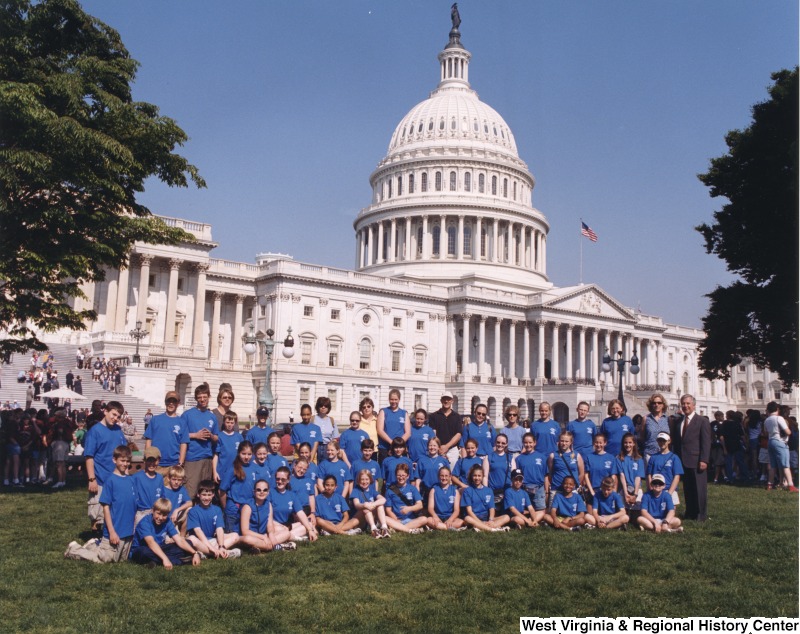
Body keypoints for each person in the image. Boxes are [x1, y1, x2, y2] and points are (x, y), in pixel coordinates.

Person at [64, 445, 137, 563]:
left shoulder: (131, 480)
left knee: (121, 560)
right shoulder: (110, 481)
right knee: (104, 560)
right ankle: (74, 549)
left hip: (127, 532)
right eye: (122, 460)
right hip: (114, 532)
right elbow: (106, 509)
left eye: (127, 461)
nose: (125, 464)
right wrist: (112, 532)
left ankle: (94, 545)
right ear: (114, 460)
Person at [83, 401, 127, 532]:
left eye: (118, 417)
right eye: (113, 414)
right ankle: (94, 540)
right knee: (97, 515)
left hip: (116, 478)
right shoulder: (95, 431)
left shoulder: (118, 430)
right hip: (100, 479)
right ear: (105, 411)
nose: (115, 418)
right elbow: (89, 457)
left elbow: (123, 453)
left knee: (113, 513)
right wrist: (92, 479)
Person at [670, 394, 711, 522]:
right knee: (688, 488)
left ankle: (700, 514)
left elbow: (706, 442)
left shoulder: (702, 421)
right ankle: (690, 512)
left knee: (699, 488)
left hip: (697, 459)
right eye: (683, 403)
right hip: (682, 460)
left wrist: (704, 459)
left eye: (688, 403)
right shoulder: (678, 421)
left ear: (694, 405)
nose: (685, 406)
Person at [129, 498, 203, 567]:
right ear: (152, 511)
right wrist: (165, 559)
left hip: (159, 548)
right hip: (143, 549)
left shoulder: (167, 521)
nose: (160, 518)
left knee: (188, 543)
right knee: (143, 552)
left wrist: (195, 553)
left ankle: (154, 562)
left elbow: (179, 539)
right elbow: (151, 543)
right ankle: (179, 561)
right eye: (158, 513)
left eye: (164, 515)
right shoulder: (145, 522)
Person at [186, 480, 241, 559]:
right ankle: (220, 553)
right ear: (198, 495)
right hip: (201, 541)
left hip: (213, 540)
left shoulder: (217, 509)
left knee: (235, 536)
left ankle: (207, 553)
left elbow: (219, 529)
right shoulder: (193, 511)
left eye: (209, 495)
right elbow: (198, 531)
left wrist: (221, 546)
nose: (206, 498)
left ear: (213, 495)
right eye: (204, 495)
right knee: (191, 539)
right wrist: (212, 548)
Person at [181, 383, 219, 498]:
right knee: (191, 493)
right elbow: (179, 436)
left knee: (205, 494)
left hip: (207, 459)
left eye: (204, 397)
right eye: (199, 397)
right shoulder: (187, 415)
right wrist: (195, 435)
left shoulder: (212, 416)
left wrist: (211, 436)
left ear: (209, 397)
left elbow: (217, 437)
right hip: (192, 459)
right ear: (196, 398)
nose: (202, 400)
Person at [239, 479, 297, 552]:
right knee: (247, 539)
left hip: (264, 535)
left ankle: (261, 547)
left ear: (268, 492)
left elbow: (270, 525)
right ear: (254, 492)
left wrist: (272, 537)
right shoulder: (247, 507)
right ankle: (278, 547)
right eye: (258, 490)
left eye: (265, 490)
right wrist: (263, 537)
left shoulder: (268, 504)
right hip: (252, 536)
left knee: (286, 533)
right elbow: (245, 531)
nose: (262, 492)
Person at [144, 391, 189, 478]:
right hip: (155, 464)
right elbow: (148, 440)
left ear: (178, 404)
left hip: (173, 464)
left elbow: (184, 443)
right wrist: (147, 458)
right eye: (169, 401)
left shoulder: (182, 422)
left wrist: (180, 463)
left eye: (174, 401)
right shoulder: (155, 420)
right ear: (165, 402)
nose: (171, 404)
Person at [271, 466, 317, 542]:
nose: (279, 481)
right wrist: (280, 526)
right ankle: (298, 539)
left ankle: (284, 538)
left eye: (283, 479)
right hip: (274, 526)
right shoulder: (270, 493)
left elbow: (300, 513)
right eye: (277, 479)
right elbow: (267, 517)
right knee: (282, 530)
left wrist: (310, 530)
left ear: (288, 480)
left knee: (309, 525)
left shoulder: (292, 495)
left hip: (287, 526)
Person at [460, 464, 510, 532]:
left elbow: (492, 508)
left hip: (486, 518)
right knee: (467, 519)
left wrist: (491, 520)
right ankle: (492, 529)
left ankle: (481, 527)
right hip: (474, 518)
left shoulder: (488, 490)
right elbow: (469, 511)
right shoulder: (467, 490)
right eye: (475, 475)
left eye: (479, 476)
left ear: (483, 476)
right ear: (471, 476)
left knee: (507, 517)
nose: (477, 478)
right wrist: (479, 522)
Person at [219, 441, 256, 532]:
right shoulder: (233, 469)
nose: (246, 457)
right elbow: (222, 491)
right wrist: (226, 507)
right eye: (243, 454)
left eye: (249, 454)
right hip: (234, 509)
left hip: (248, 508)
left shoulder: (254, 467)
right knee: (231, 536)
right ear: (238, 453)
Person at [384, 463, 428, 534]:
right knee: (384, 518)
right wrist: (396, 519)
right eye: (398, 475)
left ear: (408, 476)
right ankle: (408, 529)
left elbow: (420, 505)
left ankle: (398, 528)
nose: (401, 477)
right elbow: (388, 510)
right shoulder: (390, 490)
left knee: (424, 519)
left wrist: (409, 508)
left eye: (403, 475)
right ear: (395, 475)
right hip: (396, 520)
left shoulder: (412, 488)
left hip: (411, 519)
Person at [763, 401, 797, 491]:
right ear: (777, 409)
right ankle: (790, 485)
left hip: (770, 441)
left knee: (773, 465)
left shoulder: (767, 420)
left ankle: (770, 484)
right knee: (785, 465)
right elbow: (787, 432)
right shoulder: (779, 418)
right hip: (780, 441)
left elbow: (765, 432)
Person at [514, 432, 548, 519]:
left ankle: (529, 521)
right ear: (523, 443)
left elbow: (546, 475)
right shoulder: (519, 458)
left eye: (530, 442)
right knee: (523, 509)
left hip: (539, 488)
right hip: (524, 488)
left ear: (534, 443)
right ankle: (531, 520)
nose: (528, 445)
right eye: (526, 442)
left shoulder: (542, 457)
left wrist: (546, 490)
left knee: (541, 510)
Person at [646, 432, 684, 507]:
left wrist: (669, 493)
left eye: (664, 440)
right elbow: (649, 475)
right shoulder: (653, 457)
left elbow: (677, 477)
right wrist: (651, 489)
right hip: (655, 489)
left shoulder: (674, 458)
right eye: (660, 440)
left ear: (669, 441)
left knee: (670, 514)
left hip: (668, 489)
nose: (662, 443)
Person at [350, 469, 389, 538]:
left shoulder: (372, 490)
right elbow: (356, 505)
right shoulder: (356, 490)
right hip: (360, 519)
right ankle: (373, 529)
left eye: (367, 479)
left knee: (380, 505)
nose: (364, 482)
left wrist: (373, 504)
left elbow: (383, 499)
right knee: (366, 508)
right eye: (362, 479)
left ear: (370, 480)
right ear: (358, 481)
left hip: (370, 517)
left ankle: (384, 528)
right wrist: (365, 505)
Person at [132, 447, 166, 526]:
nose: (151, 463)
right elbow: (133, 498)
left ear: (158, 461)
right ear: (144, 461)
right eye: (149, 460)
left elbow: (162, 497)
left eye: (154, 460)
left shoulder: (160, 478)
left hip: (156, 513)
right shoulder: (137, 477)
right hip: (141, 512)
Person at [428, 391, 462, 469]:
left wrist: (447, 446)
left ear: (452, 401)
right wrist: (439, 448)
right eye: (444, 399)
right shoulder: (434, 416)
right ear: (441, 400)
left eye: (448, 399)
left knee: (452, 475)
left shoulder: (457, 417)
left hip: (452, 450)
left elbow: (458, 434)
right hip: (438, 450)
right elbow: (433, 434)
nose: (446, 401)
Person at [377, 389, 411, 464]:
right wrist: (392, 443)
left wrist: (398, 445)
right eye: (391, 399)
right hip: (385, 448)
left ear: (399, 400)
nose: (394, 401)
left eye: (396, 399)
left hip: (400, 449)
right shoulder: (383, 411)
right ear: (389, 399)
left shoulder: (404, 413)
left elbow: (408, 432)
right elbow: (380, 430)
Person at [426, 466, 465, 531]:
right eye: (442, 476)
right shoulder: (433, 490)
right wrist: (435, 517)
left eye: (446, 476)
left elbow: (456, 510)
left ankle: (441, 527)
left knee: (461, 522)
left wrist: (450, 520)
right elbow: (430, 508)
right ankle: (448, 528)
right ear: (439, 476)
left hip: (450, 517)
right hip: (438, 516)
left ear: (450, 477)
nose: (444, 478)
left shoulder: (455, 491)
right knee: (428, 520)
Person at [614, 432, 644, 511]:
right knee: (623, 514)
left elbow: (638, 477)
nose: (628, 445)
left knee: (637, 517)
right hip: (624, 488)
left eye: (630, 442)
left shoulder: (639, 459)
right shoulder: (619, 458)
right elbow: (622, 476)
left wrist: (635, 494)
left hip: (636, 489)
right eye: (625, 443)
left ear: (634, 443)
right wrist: (626, 493)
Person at [583, 433, 617, 503]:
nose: (598, 445)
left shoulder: (611, 458)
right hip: (593, 490)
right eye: (596, 442)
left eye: (600, 443)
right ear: (593, 443)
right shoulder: (589, 457)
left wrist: (611, 490)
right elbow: (586, 476)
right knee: (590, 513)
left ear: (605, 443)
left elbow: (613, 476)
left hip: (606, 490)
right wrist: (591, 491)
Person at [414, 437, 449, 501]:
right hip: (425, 491)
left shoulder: (444, 461)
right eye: (430, 445)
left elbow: (449, 478)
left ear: (438, 447)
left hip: (439, 490)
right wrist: (417, 491)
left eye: (434, 445)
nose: (432, 447)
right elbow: (418, 478)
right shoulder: (421, 460)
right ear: (427, 447)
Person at [213, 411, 244, 485]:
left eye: (232, 423)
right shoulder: (219, 436)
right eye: (227, 422)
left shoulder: (239, 437)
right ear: (224, 422)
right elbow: (216, 455)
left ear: (235, 423)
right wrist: (214, 472)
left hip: (236, 471)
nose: (229, 425)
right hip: (222, 471)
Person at [49, 409, 75, 489]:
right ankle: (63, 481)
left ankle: (59, 481)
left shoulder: (60, 423)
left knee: (59, 463)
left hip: (60, 443)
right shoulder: (68, 422)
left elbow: (60, 431)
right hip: (67, 443)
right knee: (63, 464)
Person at [162, 465, 193, 534]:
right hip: (165, 518)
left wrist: (177, 510)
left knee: (190, 510)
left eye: (179, 480)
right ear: (169, 478)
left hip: (176, 516)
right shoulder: (163, 490)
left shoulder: (181, 489)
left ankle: (182, 535)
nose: (176, 482)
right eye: (174, 479)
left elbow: (190, 503)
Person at [721, 410, 749, 482]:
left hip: (728, 444)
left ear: (728, 416)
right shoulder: (737, 424)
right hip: (737, 443)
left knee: (729, 462)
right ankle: (745, 476)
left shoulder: (725, 423)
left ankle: (730, 477)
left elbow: (722, 436)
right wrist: (746, 444)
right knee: (740, 461)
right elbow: (742, 436)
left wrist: (724, 448)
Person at [313, 396, 339, 464]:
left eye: (326, 406)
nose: (323, 407)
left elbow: (335, 437)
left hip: (327, 448)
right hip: (315, 447)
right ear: (318, 407)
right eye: (321, 405)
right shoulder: (313, 419)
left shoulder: (331, 420)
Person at [710, 411, 726, 483]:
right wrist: (725, 448)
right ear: (717, 416)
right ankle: (716, 478)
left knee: (719, 462)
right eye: (722, 416)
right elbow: (721, 437)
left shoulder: (711, 424)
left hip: (712, 444)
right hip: (719, 445)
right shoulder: (721, 425)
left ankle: (724, 475)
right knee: (718, 462)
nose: (723, 418)